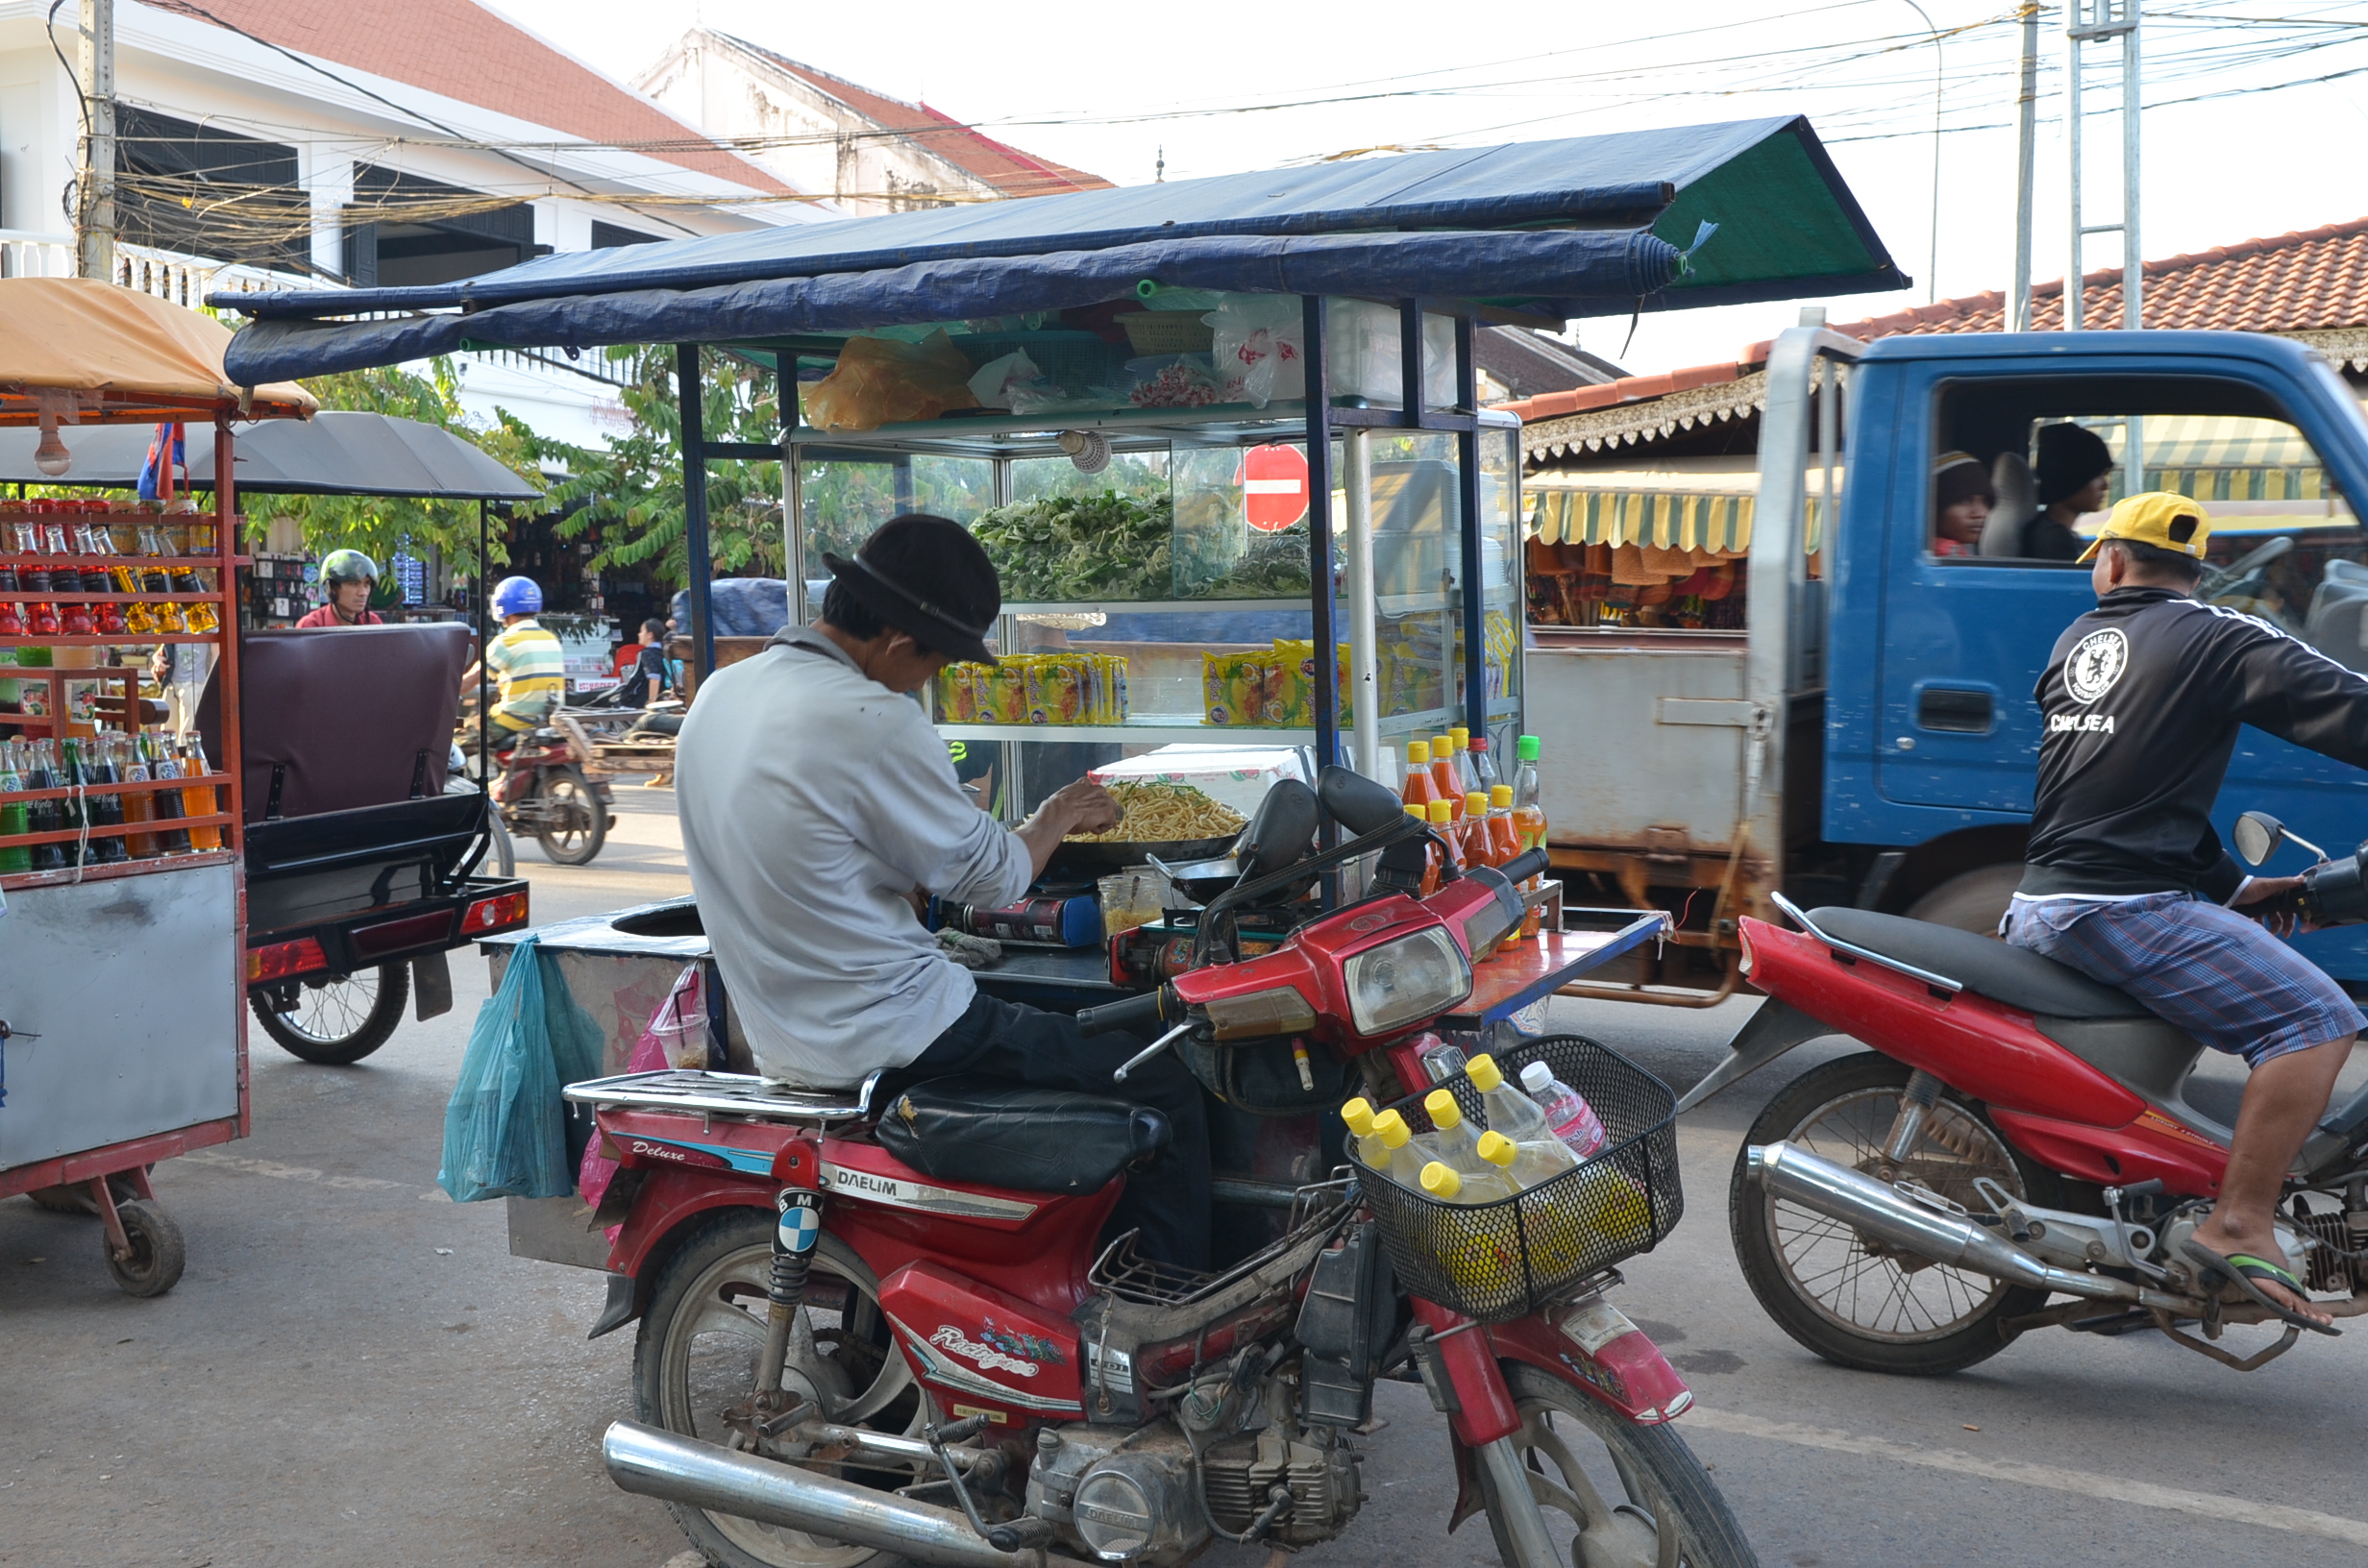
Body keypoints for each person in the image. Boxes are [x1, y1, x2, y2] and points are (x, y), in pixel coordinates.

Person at [673, 514, 1212, 1270]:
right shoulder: (872, 719)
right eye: (937, 664)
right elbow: (994, 880)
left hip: (778, 1030)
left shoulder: (720, 694)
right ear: (898, 643)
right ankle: (1170, 1310)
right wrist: (1056, 815)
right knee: (1165, 1078)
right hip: (893, 1028)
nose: (933, 681)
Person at [2003, 492, 2368, 1332]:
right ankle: (2239, 1222)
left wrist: (2236, 889)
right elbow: (2347, 705)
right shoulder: (2218, 633)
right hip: (2118, 907)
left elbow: (2126, 791)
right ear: (2194, 571)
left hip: (2051, 898)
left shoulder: (2076, 643)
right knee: (2316, 1021)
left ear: (2112, 562)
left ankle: (2172, 1225)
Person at [456, 576, 565, 759]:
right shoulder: (551, 638)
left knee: (455, 746)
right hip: (549, 720)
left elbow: (467, 684)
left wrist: (441, 690)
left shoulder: (506, 642)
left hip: (514, 722)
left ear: (501, 606)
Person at [2022, 423, 2116, 560]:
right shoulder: (2054, 539)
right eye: (2098, 475)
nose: (2106, 485)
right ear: (2072, 479)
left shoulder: (2054, 532)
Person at [295, 551, 385, 626]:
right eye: (354, 584)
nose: (363, 593)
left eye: (367, 584)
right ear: (333, 588)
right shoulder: (311, 625)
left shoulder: (373, 623)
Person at [1931, 451, 1993, 557]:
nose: (1980, 513)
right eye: (1965, 501)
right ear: (1936, 509)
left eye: (1984, 501)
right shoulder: (1944, 555)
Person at [622, 618, 671, 708]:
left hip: (640, 702)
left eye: (641, 631)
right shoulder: (664, 651)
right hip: (664, 698)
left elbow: (655, 678)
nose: (639, 634)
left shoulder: (648, 653)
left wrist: (651, 703)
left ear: (650, 635)